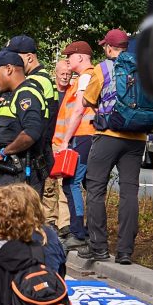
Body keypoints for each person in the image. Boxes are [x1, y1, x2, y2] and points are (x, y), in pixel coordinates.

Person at [82, 27, 152, 269]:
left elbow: (88, 100)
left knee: (95, 188)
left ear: (110, 48)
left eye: (105, 46)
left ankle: (98, 247)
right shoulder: (144, 67)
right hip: (138, 137)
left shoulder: (103, 68)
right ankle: (124, 252)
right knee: (129, 192)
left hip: (108, 134)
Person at [0, 53, 50, 196]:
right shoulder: (15, 95)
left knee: (17, 218)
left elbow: (31, 132)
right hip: (13, 173)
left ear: (9, 69)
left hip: (22, 176)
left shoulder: (26, 93)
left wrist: (2, 154)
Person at [50, 41, 100, 236]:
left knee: (71, 184)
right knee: (88, 185)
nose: (68, 61)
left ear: (80, 57)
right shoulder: (86, 78)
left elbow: (79, 110)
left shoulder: (86, 77)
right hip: (84, 137)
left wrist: (65, 141)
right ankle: (88, 231)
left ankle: (78, 232)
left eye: (70, 56)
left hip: (82, 136)